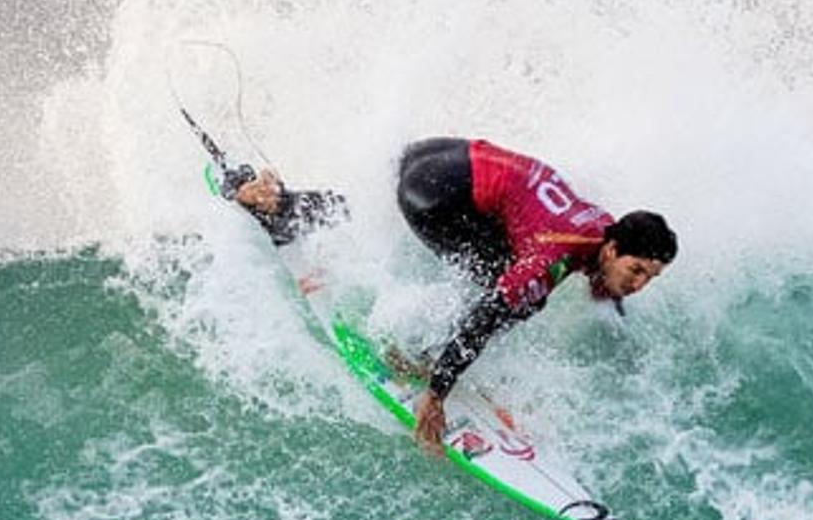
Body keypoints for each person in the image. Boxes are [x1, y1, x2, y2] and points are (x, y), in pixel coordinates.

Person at [233, 137, 677, 454]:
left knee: (496, 258)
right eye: (635, 271)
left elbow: (601, 273)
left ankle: (284, 204)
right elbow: (490, 313)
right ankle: (422, 355)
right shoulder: (554, 256)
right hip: (436, 192)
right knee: (516, 295)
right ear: (614, 250)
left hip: (435, 154)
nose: (638, 284)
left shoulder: (603, 229)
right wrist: (438, 394)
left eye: (649, 278)